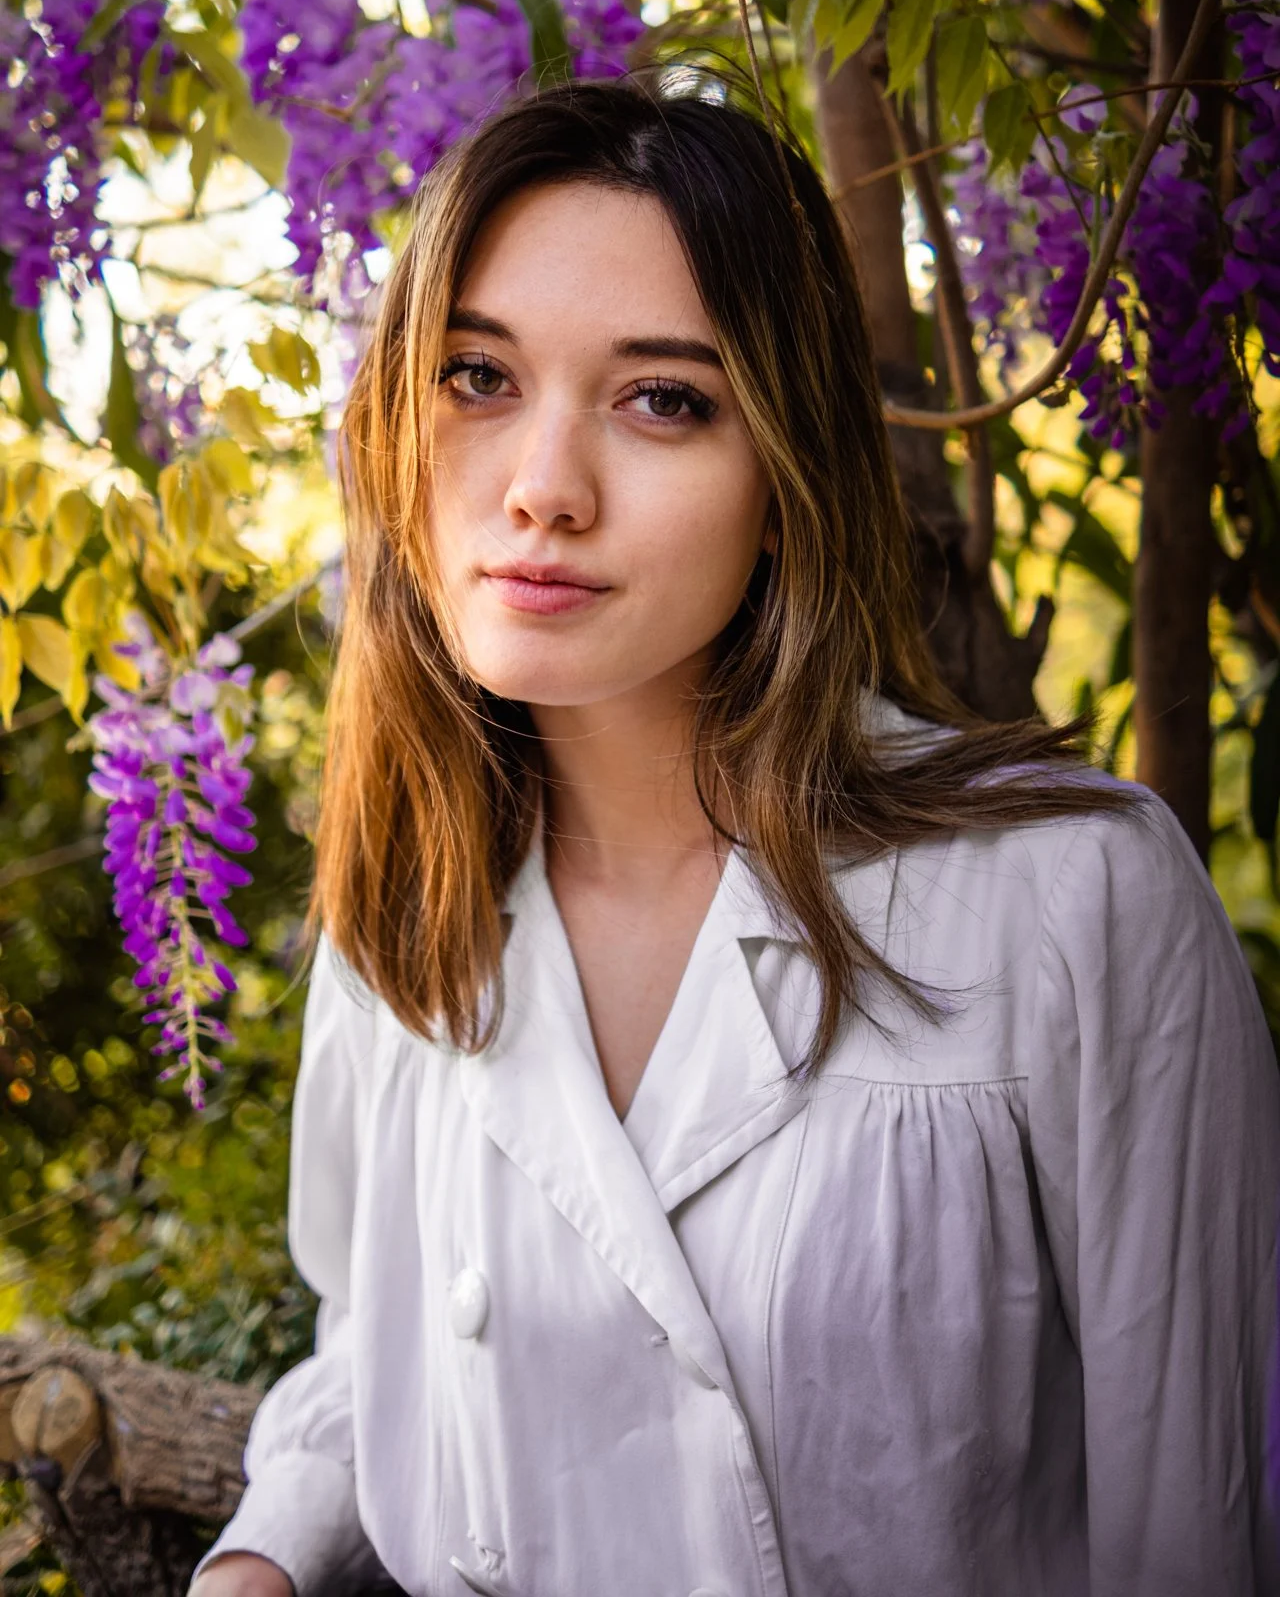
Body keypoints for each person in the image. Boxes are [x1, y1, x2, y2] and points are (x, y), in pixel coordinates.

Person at [191, 79, 1280, 1597]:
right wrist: (261, 1562)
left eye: (663, 400)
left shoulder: (1073, 900)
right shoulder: (408, 913)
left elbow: (1201, 1506)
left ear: (785, 479)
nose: (543, 491)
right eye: (477, 376)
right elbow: (375, 1336)